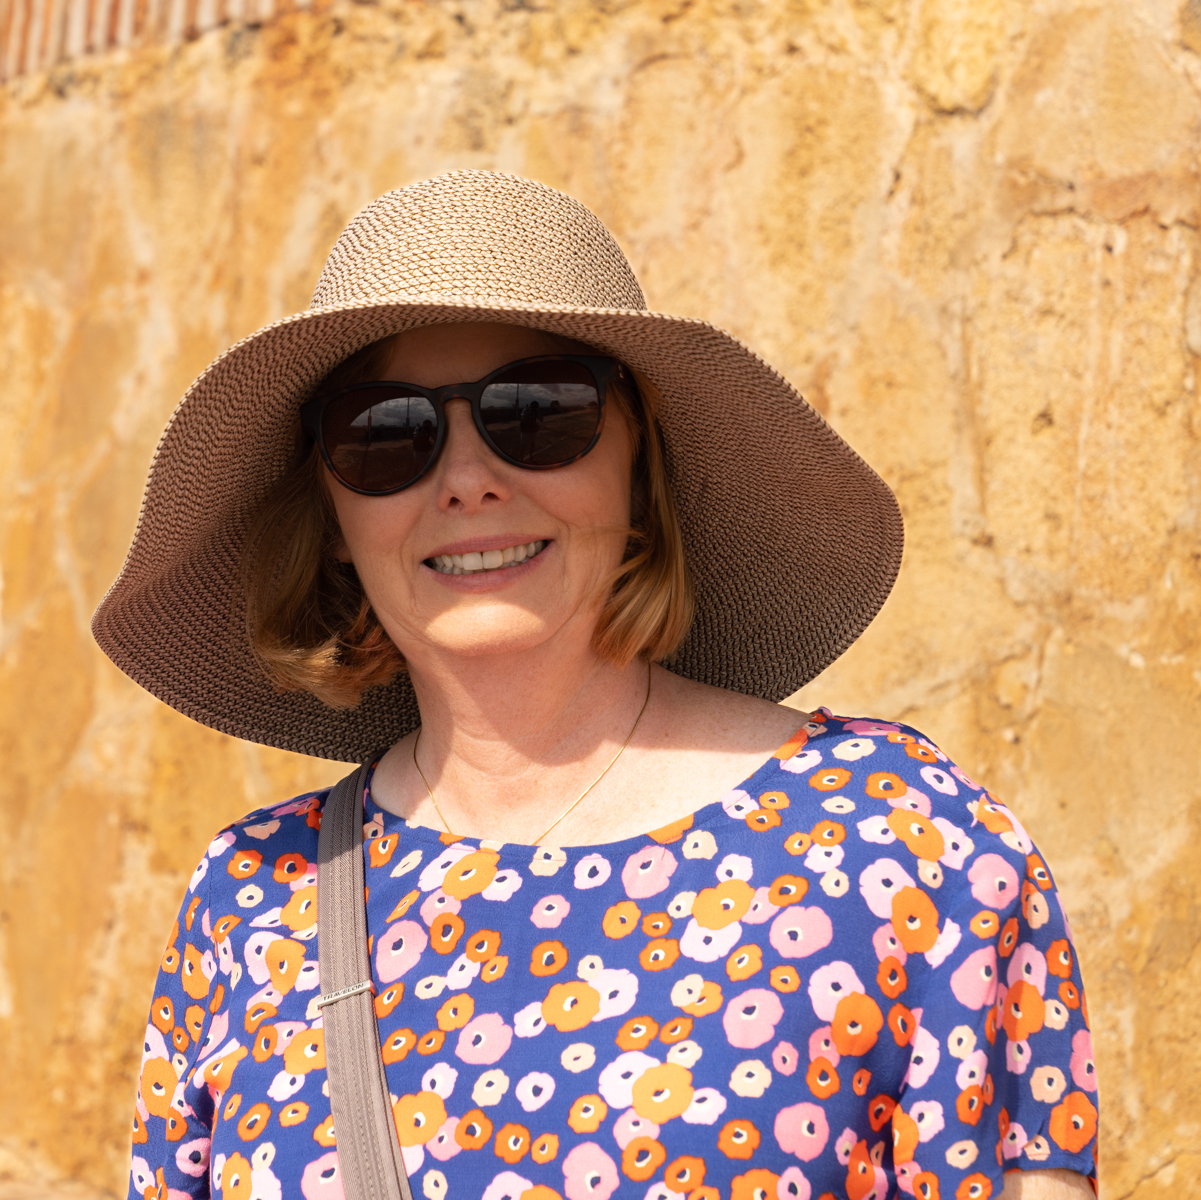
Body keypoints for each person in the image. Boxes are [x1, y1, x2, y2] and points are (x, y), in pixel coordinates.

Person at [93, 172, 1096, 1200]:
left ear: (638, 461)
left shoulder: (898, 842)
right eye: (386, 434)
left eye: (536, 413)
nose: (468, 478)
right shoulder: (255, 903)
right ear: (336, 517)